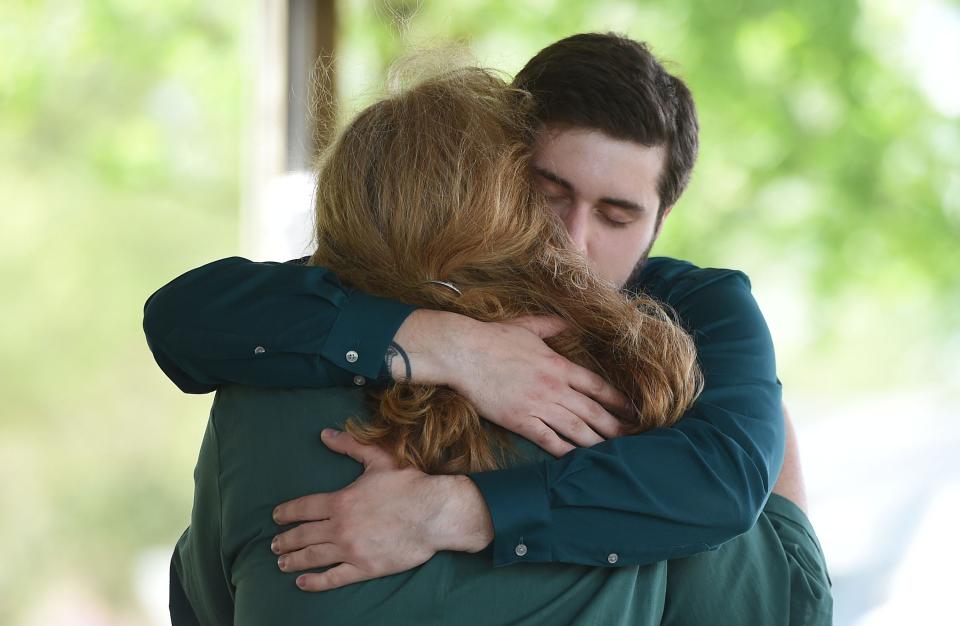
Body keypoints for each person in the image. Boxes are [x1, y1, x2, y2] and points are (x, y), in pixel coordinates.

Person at [147, 33, 832, 623]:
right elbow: (185, 320)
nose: (573, 239)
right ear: (496, 178)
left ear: (659, 223)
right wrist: (449, 346)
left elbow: (722, 483)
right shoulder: (401, 275)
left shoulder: (692, 315)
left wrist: (456, 510)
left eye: (617, 216)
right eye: (550, 193)